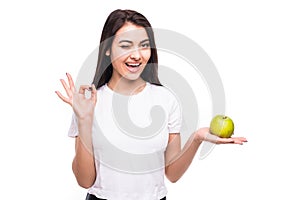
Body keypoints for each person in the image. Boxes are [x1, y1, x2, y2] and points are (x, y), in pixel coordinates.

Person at [55, 9, 247, 200]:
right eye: (126, 45)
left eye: (144, 45)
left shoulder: (166, 99)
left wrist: (197, 137)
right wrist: (84, 120)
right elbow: (84, 181)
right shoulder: (88, 102)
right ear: (107, 49)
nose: (137, 55)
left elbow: (172, 174)